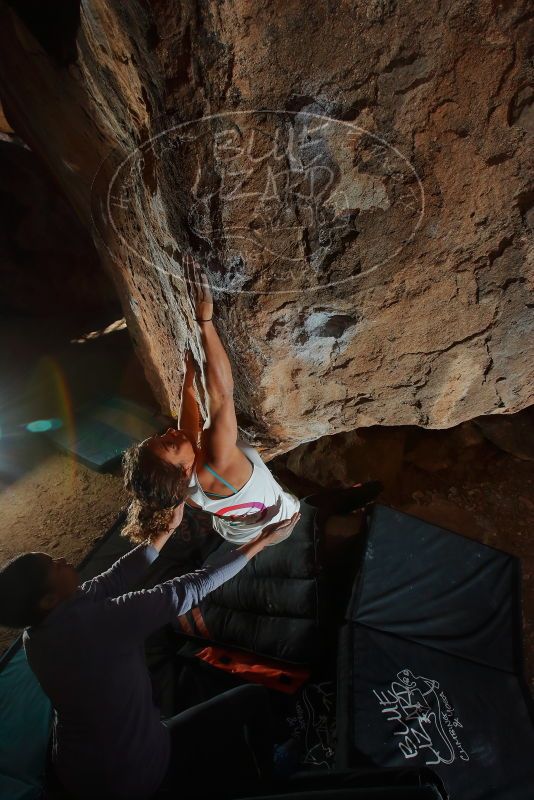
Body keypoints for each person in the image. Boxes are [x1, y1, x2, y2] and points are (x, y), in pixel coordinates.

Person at [0, 504, 301, 800]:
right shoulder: (99, 625)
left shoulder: (35, 635)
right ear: (48, 599)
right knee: (252, 698)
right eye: (54, 565)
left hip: (74, 766)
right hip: (130, 774)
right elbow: (189, 587)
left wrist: (167, 528)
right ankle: (270, 774)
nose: (63, 559)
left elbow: (113, 579)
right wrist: (259, 543)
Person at [122, 256, 301, 546]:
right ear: (182, 471)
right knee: (293, 511)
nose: (170, 431)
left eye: (161, 436)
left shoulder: (181, 490)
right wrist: (204, 322)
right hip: (271, 521)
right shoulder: (217, 463)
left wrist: (188, 386)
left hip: (231, 523)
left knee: (197, 439)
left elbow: (187, 433)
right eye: (168, 443)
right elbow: (220, 395)